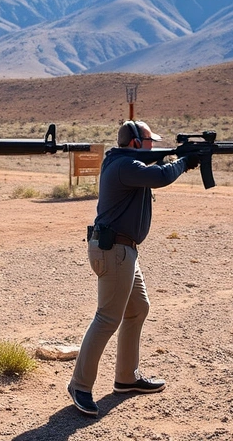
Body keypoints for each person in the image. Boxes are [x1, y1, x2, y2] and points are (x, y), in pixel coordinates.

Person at [67, 120, 199, 416]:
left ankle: (127, 378)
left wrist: (180, 158)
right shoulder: (124, 166)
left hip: (123, 250)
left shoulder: (125, 162)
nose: (153, 146)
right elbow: (162, 176)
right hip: (114, 251)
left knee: (138, 308)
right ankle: (79, 385)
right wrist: (186, 160)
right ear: (136, 142)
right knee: (107, 318)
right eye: (150, 141)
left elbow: (155, 168)